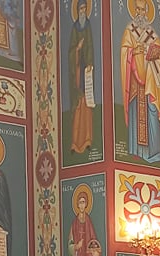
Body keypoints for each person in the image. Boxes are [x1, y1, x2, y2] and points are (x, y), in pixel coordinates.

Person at [120, 0, 160, 163]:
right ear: (135, 11)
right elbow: (124, 52)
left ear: (147, 12)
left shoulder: (152, 34)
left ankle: (154, 152)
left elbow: (159, 55)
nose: (140, 13)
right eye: (138, 10)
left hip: (150, 81)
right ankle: (137, 151)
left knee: (152, 112)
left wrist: (152, 54)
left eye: (143, 10)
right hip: (135, 81)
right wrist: (133, 52)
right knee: (136, 113)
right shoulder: (129, 30)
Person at [68, 0, 95, 154]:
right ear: (77, 10)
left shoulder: (88, 25)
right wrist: (77, 49)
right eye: (81, 9)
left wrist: (90, 63)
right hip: (77, 71)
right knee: (78, 104)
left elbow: (90, 45)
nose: (83, 11)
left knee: (87, 105)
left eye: (85, 8)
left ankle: (87, 139)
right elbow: (71, 51)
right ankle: (75, 143)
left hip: (86, 70)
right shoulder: (74, 28)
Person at [68, 188, 102, 256]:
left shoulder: (89, 222)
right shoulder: (74, 223)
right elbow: (70, 244)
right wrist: (75, 246)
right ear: (77, 205)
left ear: (86, 204)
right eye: (80, 202)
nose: (82, 205)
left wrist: (96, 254)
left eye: (83, 202)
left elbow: (94, 242)